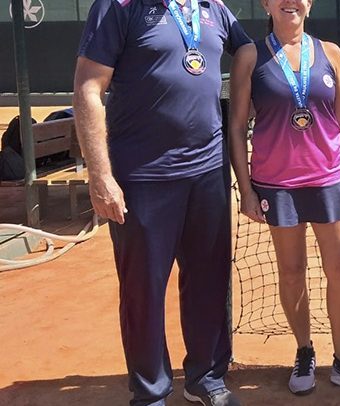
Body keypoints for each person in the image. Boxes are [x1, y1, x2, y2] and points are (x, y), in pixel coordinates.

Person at [73, 0, 252, 404]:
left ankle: (205, 377)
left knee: (209, 280)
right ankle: (151, 392)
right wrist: (100, 176)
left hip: (208, 171)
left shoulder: (213, 7)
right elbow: (88, 87)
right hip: (143, 176)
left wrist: (248, 91)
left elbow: (246, 48)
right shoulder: (119, 6)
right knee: (144, 290)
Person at [227, 0, 340, 396]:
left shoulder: (331, 52)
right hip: (277, 184)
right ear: (266, 4)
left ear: (310, 4)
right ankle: (304, 351)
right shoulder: (249, 56)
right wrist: (246, 190)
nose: (290, 2)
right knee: (292, 271)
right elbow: (236, 126)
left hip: (328, 179)